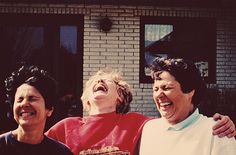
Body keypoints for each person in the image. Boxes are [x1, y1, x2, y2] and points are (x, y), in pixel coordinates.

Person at [46, 68, 235, 155]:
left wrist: (220, 123)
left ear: (120, 96)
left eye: (106, 80)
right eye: (94, 81)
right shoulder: (65, 126)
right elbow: (30, 144)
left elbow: (176, 123)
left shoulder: (140, 124)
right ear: (86, 98)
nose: (99, 81)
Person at [139, 57, 236, 155]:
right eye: (155, 89)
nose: (159, 95)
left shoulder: (217, 132)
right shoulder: (148, 129)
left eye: (167, 88)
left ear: (190, 91)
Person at [0, 64, 73, 155]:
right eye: (20, 99)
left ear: (49, 109)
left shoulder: (61, 152)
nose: (24, 104)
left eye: (32, 99)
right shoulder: (2, 146)